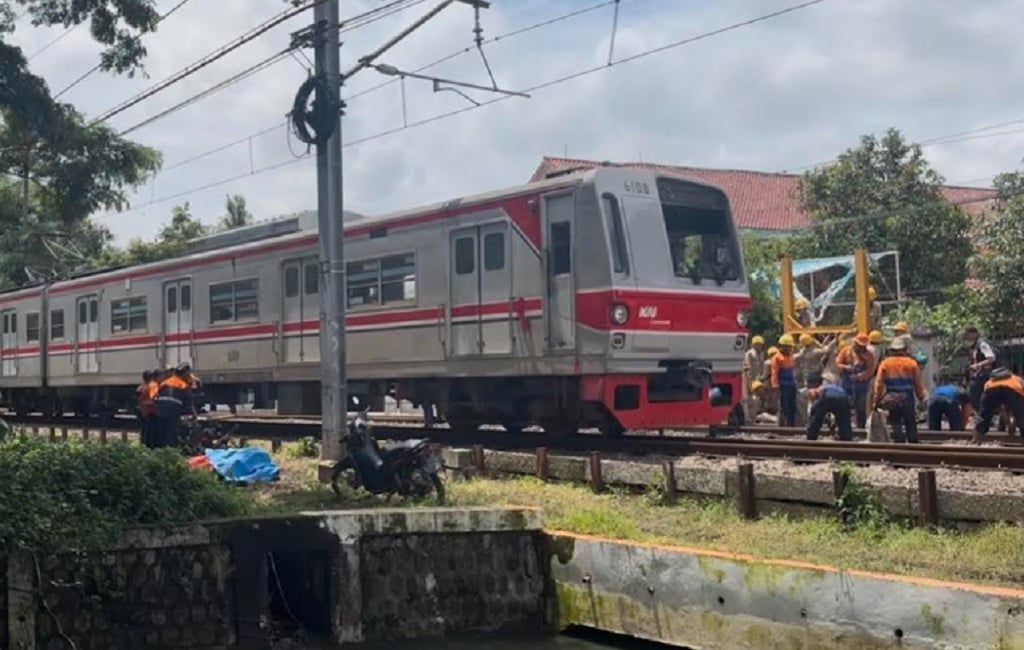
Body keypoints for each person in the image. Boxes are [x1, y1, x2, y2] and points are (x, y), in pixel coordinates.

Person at [872, 337, 926, 443]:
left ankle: (899, 441)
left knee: (895, 421)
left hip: (892, 397)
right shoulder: (912, 363)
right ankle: (913, 442)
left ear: (892, 350)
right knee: (910, 421)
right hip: (907, 397)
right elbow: (917, 383)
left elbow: (879, 384)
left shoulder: (885, 363)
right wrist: (921, 397)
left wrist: (876, 399)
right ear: (904, 350)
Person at [973, 368, 1024, 443]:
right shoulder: (1018, 380)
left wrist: (1009, 423)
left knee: (984, 414)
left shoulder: (993, 381)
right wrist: (1012, 425)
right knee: (1021, 414)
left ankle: (977, 437)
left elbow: (1000, 407)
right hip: (1013, 390)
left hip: (990, 389)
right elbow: (1018, 409)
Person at [836, 333, 876, 428]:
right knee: (844, 405)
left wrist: (859, 376)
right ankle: (844, 426)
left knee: (860, 408)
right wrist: (846, 367)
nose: (861, 348)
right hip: (846, 383)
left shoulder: (869, 355)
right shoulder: (846, 351)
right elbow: (837, 363)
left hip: (861, 386)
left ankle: (860, 427)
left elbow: (870, 370)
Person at [806, 372, 853, 441]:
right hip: (843, 397)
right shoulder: (837, 387)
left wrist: (814, 406)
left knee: (816, 415)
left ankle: (811, 434)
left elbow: (813, 393)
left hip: (827, 397)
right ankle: (846, 435)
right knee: (844, 418)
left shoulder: (821, 387)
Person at [154, 365, 192, 448]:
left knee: (162, 431)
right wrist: (191, 414)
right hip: (173, 410)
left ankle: (160, 449)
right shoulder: (183, 385)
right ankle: (169, 450)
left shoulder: (164, 382)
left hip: (161, 409)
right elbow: (188, 402)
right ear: (184, 373)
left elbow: (157, 395)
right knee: (171, 432)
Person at [963, 327, 996, 414]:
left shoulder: (982, 344)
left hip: (983, 376)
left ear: (974, 334)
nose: (967, 337)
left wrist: (978, 365)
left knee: (972, 395)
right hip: (979, 375)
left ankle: (983, 415)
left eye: (967, 335)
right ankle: (983, 415)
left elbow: (991, 358)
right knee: (977, 397)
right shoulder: (975, 346)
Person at [771, 334, 797, 427]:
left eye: (790, 347)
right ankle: (782, 426)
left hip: (791, 385)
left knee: (792, 407)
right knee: (783, 407)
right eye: (788, 347)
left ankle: (791, 426)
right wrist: (775, 386)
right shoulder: (777, 357)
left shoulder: (790, 356)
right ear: (782, 346)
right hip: (783, 386)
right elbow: (774, 372)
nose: (789, 349)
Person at [742, 336, 766, 421]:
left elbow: (762, 366)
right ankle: (749, 416)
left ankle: (754, 415)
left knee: (758, 398)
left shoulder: (761, 354)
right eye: (758, 344)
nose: (760, 346)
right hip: (751, 379)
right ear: (754, 344)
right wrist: (749, 380)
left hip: (758, 379)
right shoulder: (749, 354)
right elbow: (748, 368)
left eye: (761, 344)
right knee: (750, 398)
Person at [135, 370, 157, 447]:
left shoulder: (140, 388)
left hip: (142, 411)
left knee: (144, 431)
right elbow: (153, 398)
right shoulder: (152, 386)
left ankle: (143, 445)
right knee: (151, 432)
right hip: (150, 411)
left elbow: (138, 400)